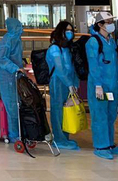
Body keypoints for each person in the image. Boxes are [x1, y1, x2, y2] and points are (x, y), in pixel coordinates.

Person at [86, 12, 118, 160]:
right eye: (108, 22)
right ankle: (101, 146)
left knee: (111, 114)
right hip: (100, 85)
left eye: (111, 21)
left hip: (111, 84)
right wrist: (98, 84)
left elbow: (114, 63)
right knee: (100, 115)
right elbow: (94, 65)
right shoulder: (93, 42)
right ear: (100, 24)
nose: (111, 24)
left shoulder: (111, 41)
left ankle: (110, 144)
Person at [46, 21, 80, 150]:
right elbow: (59, 69)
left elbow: (72, 67)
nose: (70, 33)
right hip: (58, 82)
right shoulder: (54, 49)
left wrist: (74, 83)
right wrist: (69, 83)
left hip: (68, 82)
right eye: (67, 30)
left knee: (67, 110)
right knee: (58, 110)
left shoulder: (67, 49)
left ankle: (65, 137)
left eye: (71, 30)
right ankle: (59, 139)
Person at [0, 17, 24, 141]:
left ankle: (19, 132)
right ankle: (14, 134)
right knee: (11, 106)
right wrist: (15, 68)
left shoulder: (16, 40)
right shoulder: (6, 41)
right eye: (18, 27)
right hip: (8, 77)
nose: (21, 29)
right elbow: (2, 59)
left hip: (15, 76)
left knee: (17, 104)